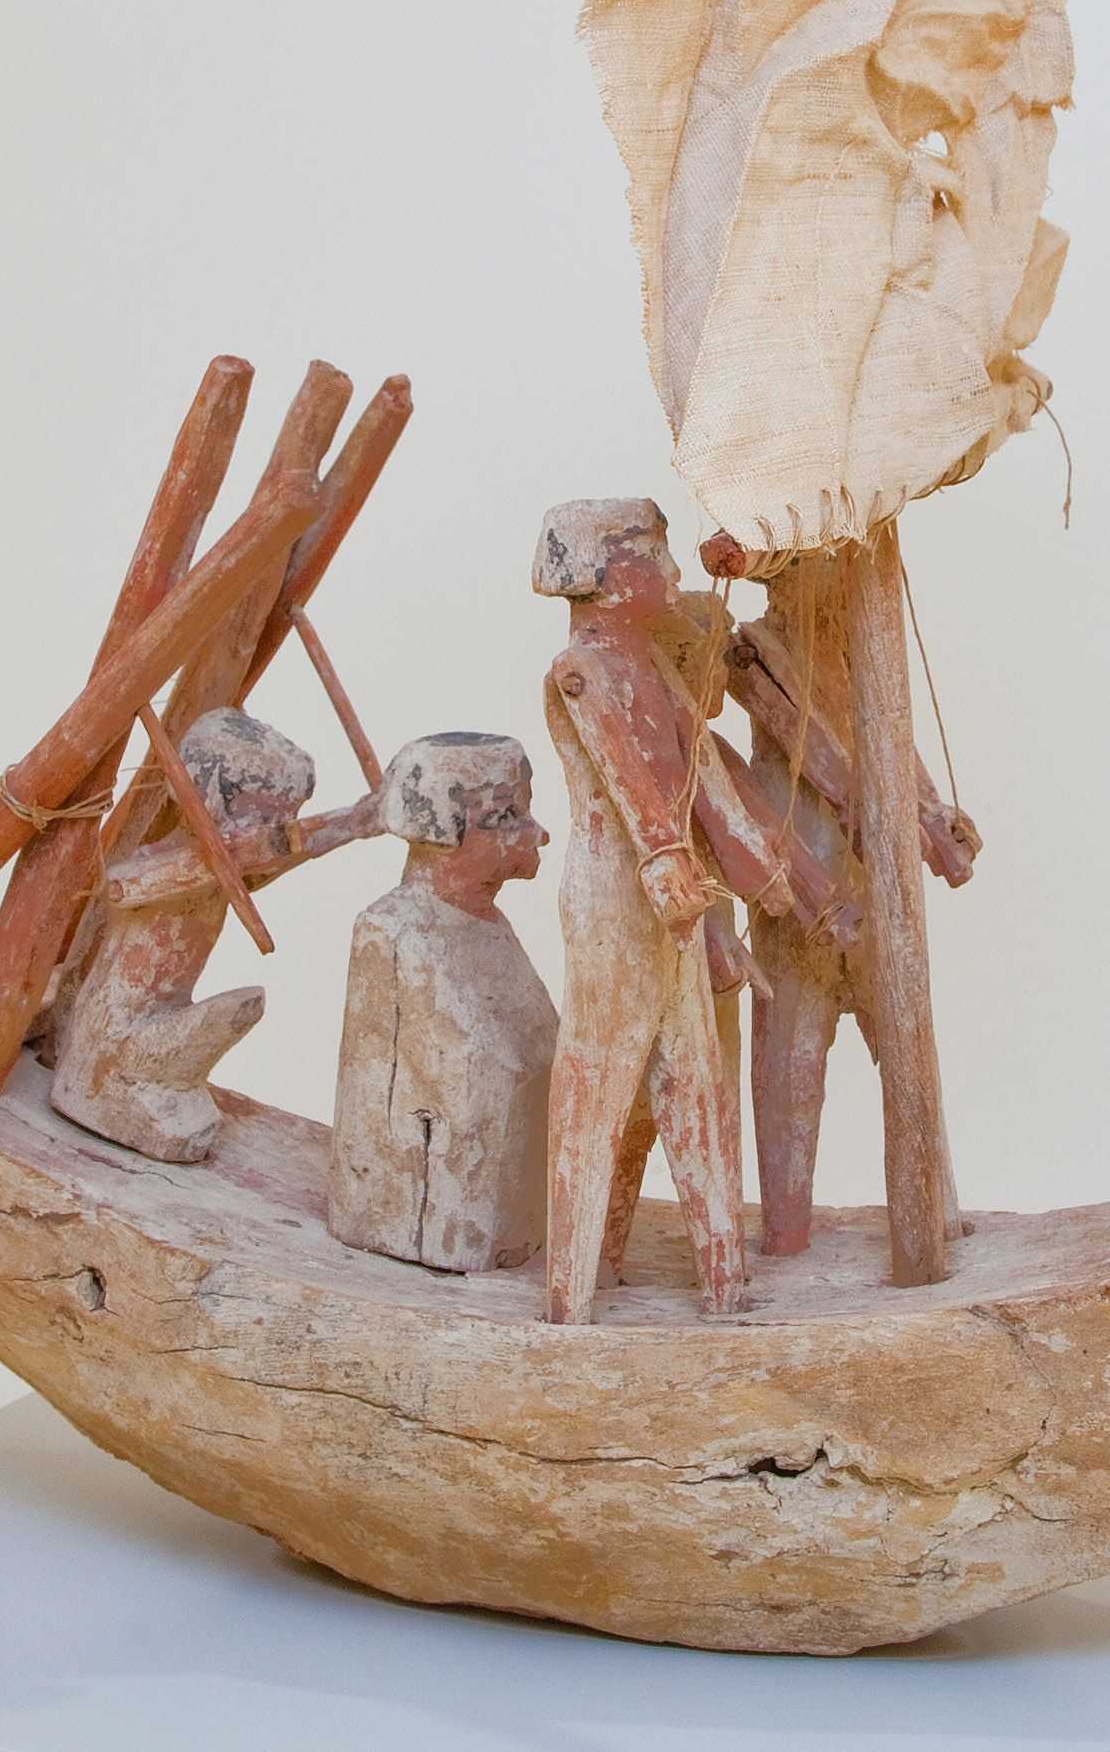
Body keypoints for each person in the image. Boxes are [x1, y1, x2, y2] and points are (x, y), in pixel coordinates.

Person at [530, 498, 817, 1321]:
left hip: (675, 899)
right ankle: (569, 1294)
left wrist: (756, 874)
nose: (672, 571)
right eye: (655, 556)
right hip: (617, 898)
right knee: (599, 1079)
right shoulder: (583, 670)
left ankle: (724, 1285)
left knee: (693, 1078)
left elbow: (703, 777)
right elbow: (628, 780)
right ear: (610, 574)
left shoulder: (648, 661)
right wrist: (663, 859)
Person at [327, 733, 559, 1272]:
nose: (539, 834)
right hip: (427, 1223)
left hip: (495, 1223)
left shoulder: (487, 925)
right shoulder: (392, 932)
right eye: (506, 817)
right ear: (439, 834)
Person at [45, 707, 313, 1163]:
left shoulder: (227, 872)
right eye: (266, 817)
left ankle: (158, 1084)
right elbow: (126, 884)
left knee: (242, 1008)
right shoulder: (159, 868)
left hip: (160, 1025)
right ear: (207, 796)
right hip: (119, 1038)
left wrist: (356, 824)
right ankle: (115, 1087)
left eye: (287, 818)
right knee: (242, 1006)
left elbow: (289, 851)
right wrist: (218, 864)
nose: (275, 834)